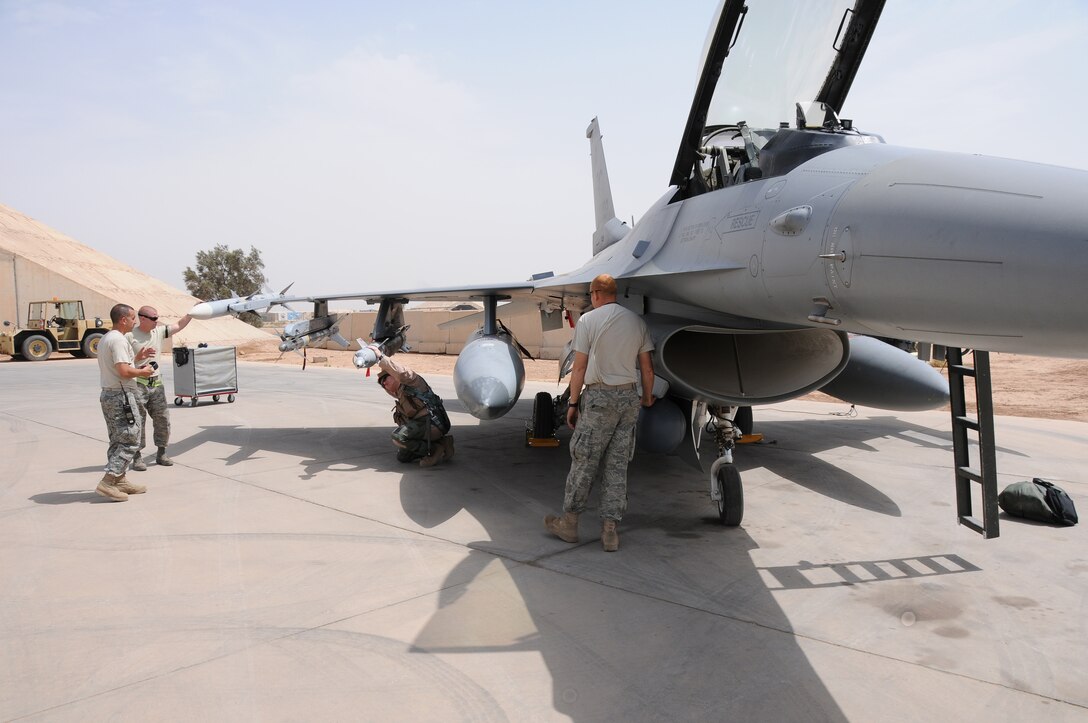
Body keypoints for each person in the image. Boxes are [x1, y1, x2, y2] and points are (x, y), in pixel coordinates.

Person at [544, 274, 655, 551]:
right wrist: (648, 398)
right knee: (617, 466)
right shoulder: (637, 322)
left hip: (599, 399)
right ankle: (609, 532)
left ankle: (569, 524)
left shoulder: (588, 321)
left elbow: (579, 367)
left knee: (584, 461)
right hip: (628, 398)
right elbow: (647, 369)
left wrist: (572, 403)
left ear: (594, 294)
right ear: (614, 294)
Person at [96, 303, 156, 501]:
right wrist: (143, 372)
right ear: (123, 320)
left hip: (109, 394)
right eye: (132, 318)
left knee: (117, 439)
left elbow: (121, 366)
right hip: (121, 396)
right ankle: (108, 480)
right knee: (131, 439)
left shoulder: (107, 338)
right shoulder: (119, 340)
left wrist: (138, 359)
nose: (135, 322)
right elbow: (123, 372)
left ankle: (119, 480)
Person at [126, 306, 193, 470]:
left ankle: (161, 452)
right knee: (137, 422)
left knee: (163, 419)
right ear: (143, 318)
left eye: (157, 318)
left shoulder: (158, 332)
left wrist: (191, 314)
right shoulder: (128, 336)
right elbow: (124, 362)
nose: (157, 321)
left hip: (156, 384)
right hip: (138, 384)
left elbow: (178, 325)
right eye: (153, 318)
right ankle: (137, 457)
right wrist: (138, 359)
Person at [367, 345, 454, 467]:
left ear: (394, 375)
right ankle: (443, 443)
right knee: (403, 457)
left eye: (386, 379)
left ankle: (434, 450)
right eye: (382, 384)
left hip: (433, 423)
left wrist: (380, 357)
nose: (385, 383)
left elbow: (400, 372)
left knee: (398, 437)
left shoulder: (412, 381)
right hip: (425, 427)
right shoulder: (400, 394)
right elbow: (390, 383)